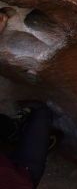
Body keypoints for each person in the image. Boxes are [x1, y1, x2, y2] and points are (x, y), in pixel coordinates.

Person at [0, 11, 54, 189]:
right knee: (42, 114)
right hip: (22, 175)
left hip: (21, 177)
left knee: (39, 116)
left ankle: (14, 128)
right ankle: (17, 128)